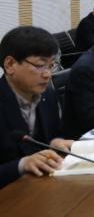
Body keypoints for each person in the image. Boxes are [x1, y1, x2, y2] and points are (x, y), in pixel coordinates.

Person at [0, 27, 72, 188]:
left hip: (44, 187)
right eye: (40, 65)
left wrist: (54, 142)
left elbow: (53, 134)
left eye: (51, 65)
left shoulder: (48, 95)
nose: (47, 74)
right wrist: (22, 164)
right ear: (10, 64)